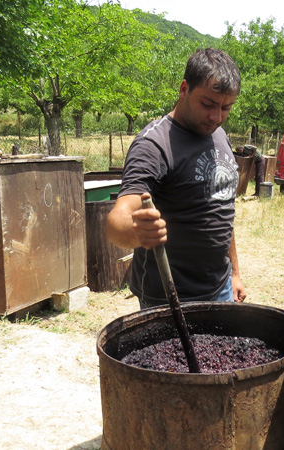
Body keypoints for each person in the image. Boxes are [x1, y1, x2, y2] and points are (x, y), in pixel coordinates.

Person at [106, 48, 247, 309]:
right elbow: (117, 219)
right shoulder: (153, 145)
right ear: (184, 89)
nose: (216, 117)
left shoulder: (218, 135)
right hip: (168, 298)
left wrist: (234, 274)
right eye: (208, 104)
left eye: (226, 107)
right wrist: (136, 231)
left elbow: (222, 209)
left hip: (221, 288)